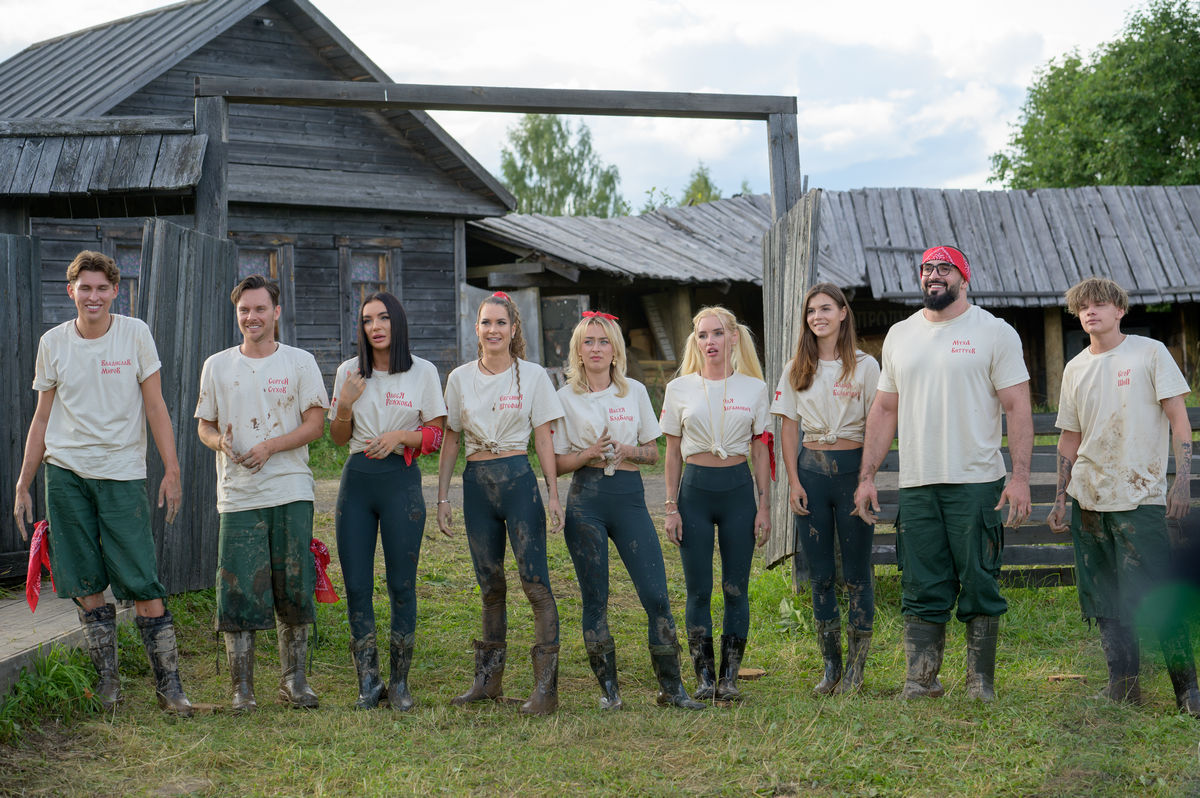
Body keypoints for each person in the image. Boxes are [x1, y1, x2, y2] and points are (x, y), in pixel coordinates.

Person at [13, 250, 192, 716]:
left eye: (101, 288)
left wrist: (171, 469)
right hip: (66, 472)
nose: (93, 296)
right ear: (70, 292)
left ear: (116, 291)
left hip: (121, 472)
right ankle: (108, 685)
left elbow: (156, 407)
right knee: (83, 577)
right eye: (84, 288)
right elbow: (42, 416)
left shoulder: (135, 335)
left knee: (141, 577)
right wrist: (23, 481)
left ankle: (169, 689)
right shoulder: (53, 343)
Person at [854, 245, 1032, 702]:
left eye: (944, 268)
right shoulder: (899, 335)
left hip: (976, 481)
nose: (934, 275)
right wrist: (867, 476)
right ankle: (921, 680)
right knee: (920, 580)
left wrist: (1020, 477)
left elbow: (1016, 406)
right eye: (927, 269)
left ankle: (980, 682)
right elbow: (884, 408)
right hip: (917, 483)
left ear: (963, 278)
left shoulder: (994, 332)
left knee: (978, 579)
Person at [1047, 277, 1198, 717]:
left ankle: (1187, 691)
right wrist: (1061, 497)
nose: (1090, 312)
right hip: (1088, 499)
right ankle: (1124, 687)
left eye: (1099, 304)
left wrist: (1183, 478)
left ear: (1119, 310)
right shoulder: (1075, 368)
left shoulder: (1150, 354)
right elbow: (1069, 438)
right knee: (1104, 598)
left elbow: (1179, 420)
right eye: (1083, 307)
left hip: (1139, 497)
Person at [553, 311, 705, 711]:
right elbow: (553, 461)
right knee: (595, 598)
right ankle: (609, 693)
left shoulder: (634, 392)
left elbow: (654, 452)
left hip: (629, 498)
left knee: (656, 594)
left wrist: (626, 451)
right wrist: (586, 454)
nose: (597, 349)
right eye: (588, 342)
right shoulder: (564, 398)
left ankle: (672, 690)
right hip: (585, 501)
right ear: (579, 351)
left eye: (604, 341)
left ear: (616, 350)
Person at [195, 274, 329, 712]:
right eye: (244, 310)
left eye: (260, 309)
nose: (252, 317)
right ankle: (242, 688)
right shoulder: (217, 365)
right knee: (236, 586)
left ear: (276, 312)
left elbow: (315, 425)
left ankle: (295, 681)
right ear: (237, 315)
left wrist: (271, 446)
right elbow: (205, 425)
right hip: (238, 493)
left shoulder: (299, 362)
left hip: (290, 488)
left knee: (293, 584)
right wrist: (220, 442)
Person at [437, 291, 565, 715]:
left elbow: (544, 436)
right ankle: (488, 681)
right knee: (490, 587)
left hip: (518, 481)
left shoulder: (532, 376)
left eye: (500, 323)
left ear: (513, 330)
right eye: (486, 323)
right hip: (477, 484)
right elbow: (452, 436)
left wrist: (552, 493)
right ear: (477, 328)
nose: (493, 330)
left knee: (535, 583)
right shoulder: (458, 378)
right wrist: (442, 496)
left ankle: (545, 690)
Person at [329, 292, 446, 711]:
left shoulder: (422, 372)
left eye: (382, 318)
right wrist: (344, 404)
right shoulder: (349, 372)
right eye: (366, 320)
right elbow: (338, 438)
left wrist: (400, 436)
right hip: (357, 482)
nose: (374, 326)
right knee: (357, 585)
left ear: (396, 322)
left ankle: (399, 683)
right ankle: (368, 682)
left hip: (401, 481)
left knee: (401, 585)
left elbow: (436, 435)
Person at [772, 283, 879, 695]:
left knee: (856, 574)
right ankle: (830, 667)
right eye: (811, 311)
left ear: (842, 313)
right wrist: (794, 481)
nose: (818, 317)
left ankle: (856, 668)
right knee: (819, 575)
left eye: (825, 309)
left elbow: (878, 423)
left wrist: (867, 479)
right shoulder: (797, 367)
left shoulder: (867, 367)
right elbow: (788, 426)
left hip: (851, 472)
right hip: (811, 474)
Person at [661, 305, 772, 702]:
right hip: (695, 492)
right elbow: (671, 453)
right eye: (703, 335)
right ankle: (704, 677)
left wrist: (765, 506)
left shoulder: (754, 389)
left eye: (718, 334)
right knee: (698, 589)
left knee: (735, 588)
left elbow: (761, 452)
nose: (710, 342)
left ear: (733, 338)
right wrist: (671, 506)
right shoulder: (680, 389)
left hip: (738, 492)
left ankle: (729, 679)